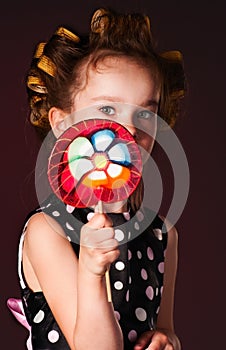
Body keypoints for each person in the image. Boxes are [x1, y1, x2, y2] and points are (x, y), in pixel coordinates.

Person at [8, 7, 186, 350]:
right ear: (62, 123)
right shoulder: (48, 230)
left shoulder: (163, 235)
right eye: (107, 110)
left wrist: (168, 341)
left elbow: (166, 329)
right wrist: (91, 271)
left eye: (146, 113)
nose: (130, 128)